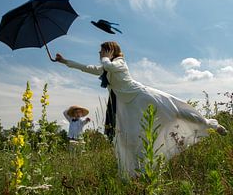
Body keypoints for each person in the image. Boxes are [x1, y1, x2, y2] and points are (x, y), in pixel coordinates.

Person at [55, 41, 226, 176]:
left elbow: (109, 66)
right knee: (130, 139)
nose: (99, 54)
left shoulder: (119, 62)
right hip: (128, 107)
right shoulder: (105, 68)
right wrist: (64, 62)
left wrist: (106, 58)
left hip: (142, 96)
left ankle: (211, 124)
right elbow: (87, 68)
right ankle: (138, 171)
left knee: (176, 110)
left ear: (110, 51)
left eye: (102, 51)